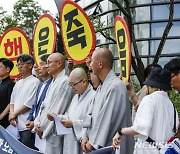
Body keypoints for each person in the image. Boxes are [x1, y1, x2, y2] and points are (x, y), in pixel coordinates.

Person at [112, 67, 179, 154]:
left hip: (148, 150)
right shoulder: (171, 105)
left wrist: (120, 132)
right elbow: (176, 128)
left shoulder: (149, 100)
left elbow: (141, 127)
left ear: (151, 86)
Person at [81, 48, 134, 154]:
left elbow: (106, 119)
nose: (90, 65)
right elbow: (90, 114)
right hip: (98, 143)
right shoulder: (102, 86)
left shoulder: (115, 86)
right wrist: (84, 136)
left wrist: (92, 143)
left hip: (111, 145)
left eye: (91, 61)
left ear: (100, 64)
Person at [48, 67, 95, 154]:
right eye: (70, 84)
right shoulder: (75, 97)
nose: (72, 88)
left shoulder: (93, 97)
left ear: (84, 82)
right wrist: (58, 118)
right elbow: (69, 115)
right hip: (69, 140)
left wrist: (73, 124)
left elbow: (92, 122)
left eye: (74, 84)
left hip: (83, 141)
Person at [34, 53, 73, 154]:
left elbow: (57, 109)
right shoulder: (53, 82)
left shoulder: (65, 81)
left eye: (49, 62)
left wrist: (42, 128)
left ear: (59, 64)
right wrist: (37, 122)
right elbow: (44, 105)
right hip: (44, 127)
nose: (46, 66)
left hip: (53, 129)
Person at [9, 54, 40, 148]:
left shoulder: (35, 82)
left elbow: (29, 104)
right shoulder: (18, 83)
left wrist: (14, 114)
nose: (19, 67)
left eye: (22, 64)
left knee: (28, 149)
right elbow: (12, 101)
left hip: (26, 124)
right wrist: (11, 114)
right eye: (18, 65)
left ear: (30, 65)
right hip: (15, 124)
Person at [25, 54, 52, 150]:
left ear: (48, 65)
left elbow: (46, 108)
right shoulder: (41, 85)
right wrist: (30, 119)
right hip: (35, 127)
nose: (38, 68)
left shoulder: (53, 84)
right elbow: (35, 104)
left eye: (41, 64)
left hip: (44, 127)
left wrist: (36, 123)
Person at [0, 58, 15, 128]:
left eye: (0, 67)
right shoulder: (1, 84)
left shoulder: (11, 84)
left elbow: (11, 101)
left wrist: (2, 115)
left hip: (5, 121)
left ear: (8, 69)